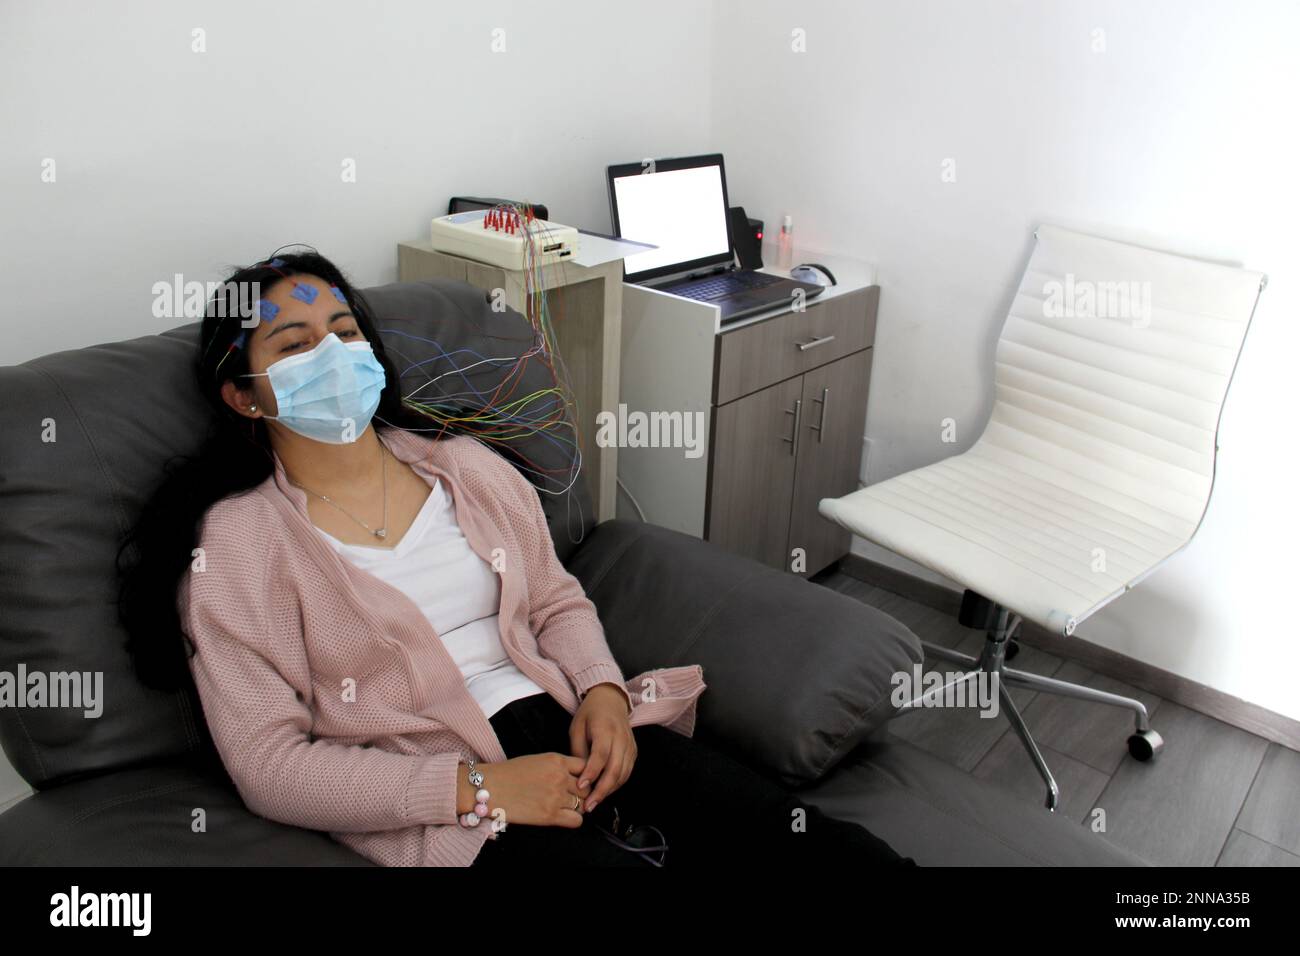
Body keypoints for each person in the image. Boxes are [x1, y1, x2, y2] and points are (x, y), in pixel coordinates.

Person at [116, 247, 915, 868]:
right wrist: (476, 788)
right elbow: (270, 764)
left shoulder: (464, 466)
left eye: (346, 332)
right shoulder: (239, 545)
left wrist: (602, 694)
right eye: (294, 345)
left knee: (810, 846)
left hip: (569, 727)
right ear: (244, 394)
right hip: (441, 788)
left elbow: (557, 602)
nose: (332, 354)